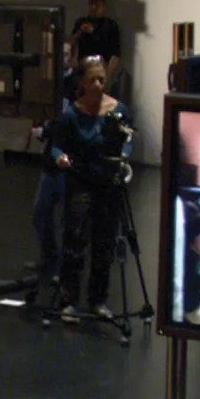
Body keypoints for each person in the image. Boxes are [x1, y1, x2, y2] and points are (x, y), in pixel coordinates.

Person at [46, 57, 132, 322]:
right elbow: (55, 145)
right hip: (81, 180)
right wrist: (60, 158)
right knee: (75, 239)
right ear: (82, 82)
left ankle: (98, 300)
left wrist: (124, 157)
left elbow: (127, 139)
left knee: (105, 242)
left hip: (109, 181)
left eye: (102, 79)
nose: (97, 84)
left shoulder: (118, 110)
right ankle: (68, 301)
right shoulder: (72, 114)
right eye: (92, 79)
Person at [70, 0, 124, 99]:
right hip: (83, 70)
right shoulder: (81, 22)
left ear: (104, 7)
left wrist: (107, 76)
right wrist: (80, 32)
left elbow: (115, 54)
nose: (94, 8)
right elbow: (71, 44)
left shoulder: (110, 26)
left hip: (102, 69)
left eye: (97, 5)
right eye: (92, 4)